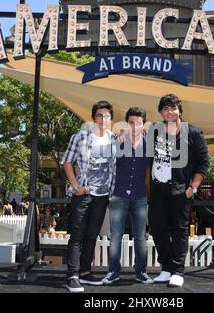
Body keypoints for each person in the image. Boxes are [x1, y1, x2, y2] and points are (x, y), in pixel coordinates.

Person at [148, 94, 209, 287]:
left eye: (173, 108)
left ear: (179, 110)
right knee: (157, 228)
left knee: (179, 230)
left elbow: (203, 163)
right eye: (166, 108)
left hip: (181, 190)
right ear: (161, 112)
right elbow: (148, 158)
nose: (170, 112)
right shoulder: (155, 130)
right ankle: (166, 268)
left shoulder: (193, 132)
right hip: (158, 189)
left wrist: (193, 187)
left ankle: (178, 271)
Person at [62, 100, 116, 293]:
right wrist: (75, 186)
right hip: (83, 194)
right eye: (100, 115)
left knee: (92, 235)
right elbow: (67, 162)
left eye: (107, 116)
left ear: (111, 119)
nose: (103, 119)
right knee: (77, 235)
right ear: (94, 117)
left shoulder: (113, 139)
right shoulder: (81, 136)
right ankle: (73, 276)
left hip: (102, 195)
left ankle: (85, 271)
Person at [102, 107, 153, 285]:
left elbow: (150, 170)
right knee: (115, 236)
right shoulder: (118, 141)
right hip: (118, 194)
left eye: (138, 123)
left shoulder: (149, 144)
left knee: (140, 237)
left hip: (139, 196)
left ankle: (141, 272)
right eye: (131, 122)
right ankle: (113, 272)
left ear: (143, 125)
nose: (134, 126)